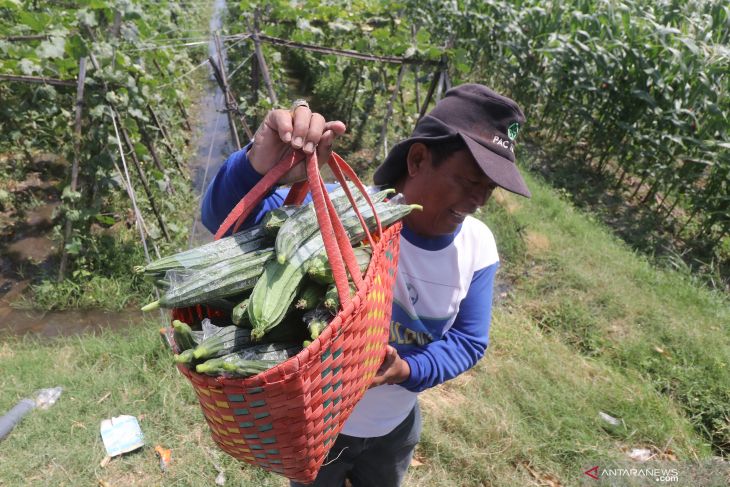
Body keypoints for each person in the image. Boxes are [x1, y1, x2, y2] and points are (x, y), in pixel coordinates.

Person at [201, 84, 531, 487]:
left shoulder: (477, 248)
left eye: (489, 188)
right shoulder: (343, 213)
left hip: (393, 429)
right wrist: (259, 162)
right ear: (418, 159)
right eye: (469, 181)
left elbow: (469, 340)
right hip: (319, 425)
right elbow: (224, 221)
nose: (478, 199)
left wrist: (408, 369)